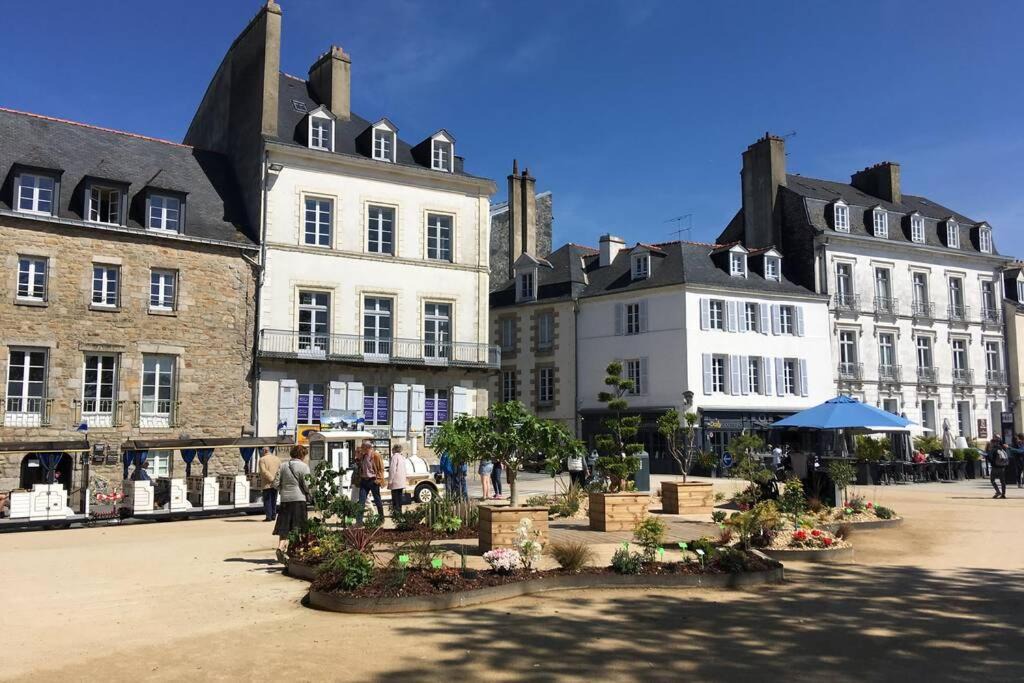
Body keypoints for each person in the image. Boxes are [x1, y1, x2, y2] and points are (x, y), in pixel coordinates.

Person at [273, 445, 311, 562]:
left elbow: (275, 483)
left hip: (285, 499)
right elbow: (307, 484)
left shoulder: (283, 465)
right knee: (298, 526)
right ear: (302, 455)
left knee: (284, 525)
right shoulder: (304, 467)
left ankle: (280, 547)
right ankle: (294, 550)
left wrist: (282, 490)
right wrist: (309, 493)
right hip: (298, 499)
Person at [355, 439, 385, 524]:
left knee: (377, 500)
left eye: (362, 447)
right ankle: (359, 521)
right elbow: (359, 465)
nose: (361, 449)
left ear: (367, 448)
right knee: (361, 501)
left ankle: (381, 518)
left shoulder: (376, 455)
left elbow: (381, 469)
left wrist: (378, 480)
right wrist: (358, 458)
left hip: (373, 480)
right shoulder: (363, 455)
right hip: (364, 480)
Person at [258, 446, 281, 521]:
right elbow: (280, 470)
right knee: (274, 500)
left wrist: (272, 479)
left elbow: (264, 471)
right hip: (276, 483)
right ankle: (274, 515)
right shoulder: (277, 459)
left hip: (267, 483)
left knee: (267, 500)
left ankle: (269, 516)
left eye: (262, 451)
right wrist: (276, 480)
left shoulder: (262, 459)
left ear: (264, 451)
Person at [388, 443, 408, 515]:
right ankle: (399, 511)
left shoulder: (394, 457)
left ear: (394, 449)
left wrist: (390, 480)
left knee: (395, 498)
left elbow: (392, 469)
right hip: (401, 481)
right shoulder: (402, 457)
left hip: (395, 481)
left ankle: (396, 513)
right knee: (399, 498)